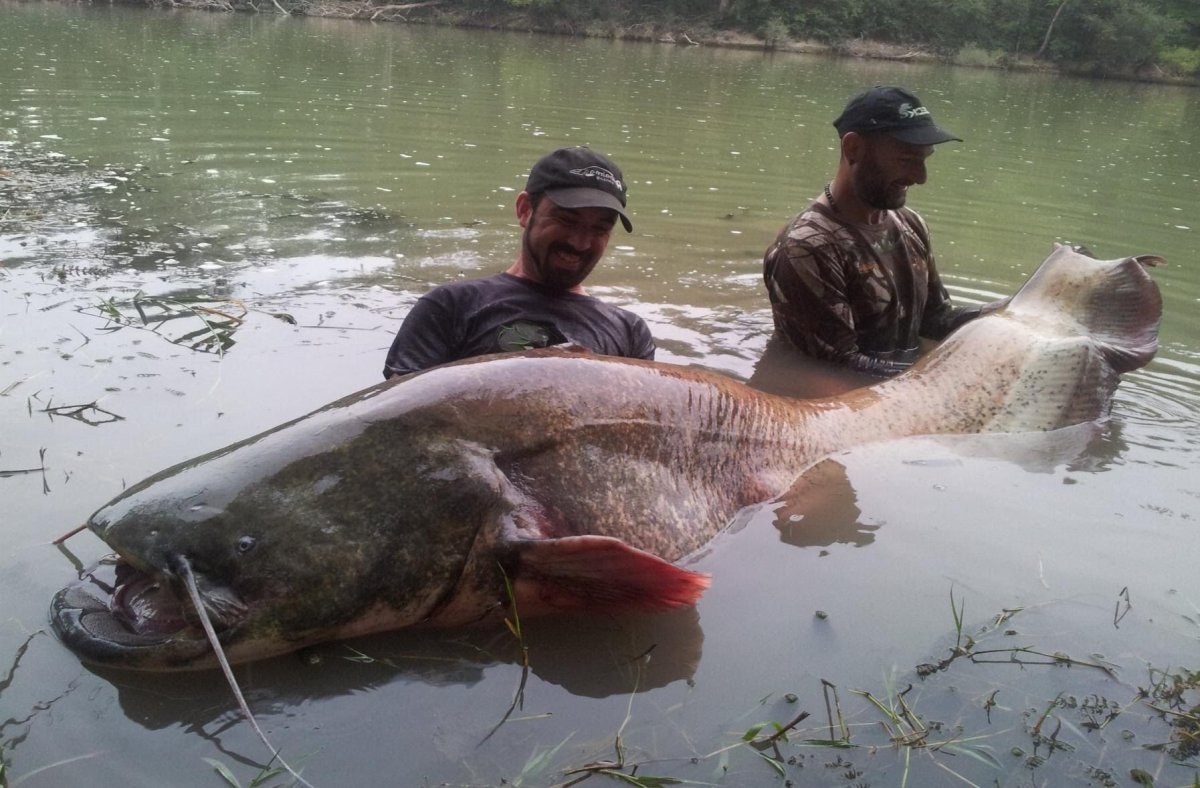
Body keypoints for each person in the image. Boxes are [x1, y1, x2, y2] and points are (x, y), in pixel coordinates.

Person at [762, 85, 1006, 378]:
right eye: (906, 160)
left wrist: (1016, 310)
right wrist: (951, 376)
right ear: (853, 149)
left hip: (901, 385)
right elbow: (837, 369)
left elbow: (935, 320)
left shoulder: (911, 223)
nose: (920, 177)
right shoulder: (807, 246)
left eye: (924, 160)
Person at [383, 146, 655, 379]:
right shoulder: (450, 306)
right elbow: (397, 418)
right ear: (525, 210)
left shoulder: (630, 332)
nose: (580, 242)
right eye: (566, 220)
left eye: (599, 229)